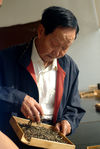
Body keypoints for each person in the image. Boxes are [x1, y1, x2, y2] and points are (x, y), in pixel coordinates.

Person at [0, 6, 85, 148]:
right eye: (55, 44)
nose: (57, 53)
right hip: (13, 139)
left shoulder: (70, 67)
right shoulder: (6, 58)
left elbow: (74, 108)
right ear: (41, 31)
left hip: (51, 139)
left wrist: (68, 122)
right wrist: (17, 99)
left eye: (65, 47)